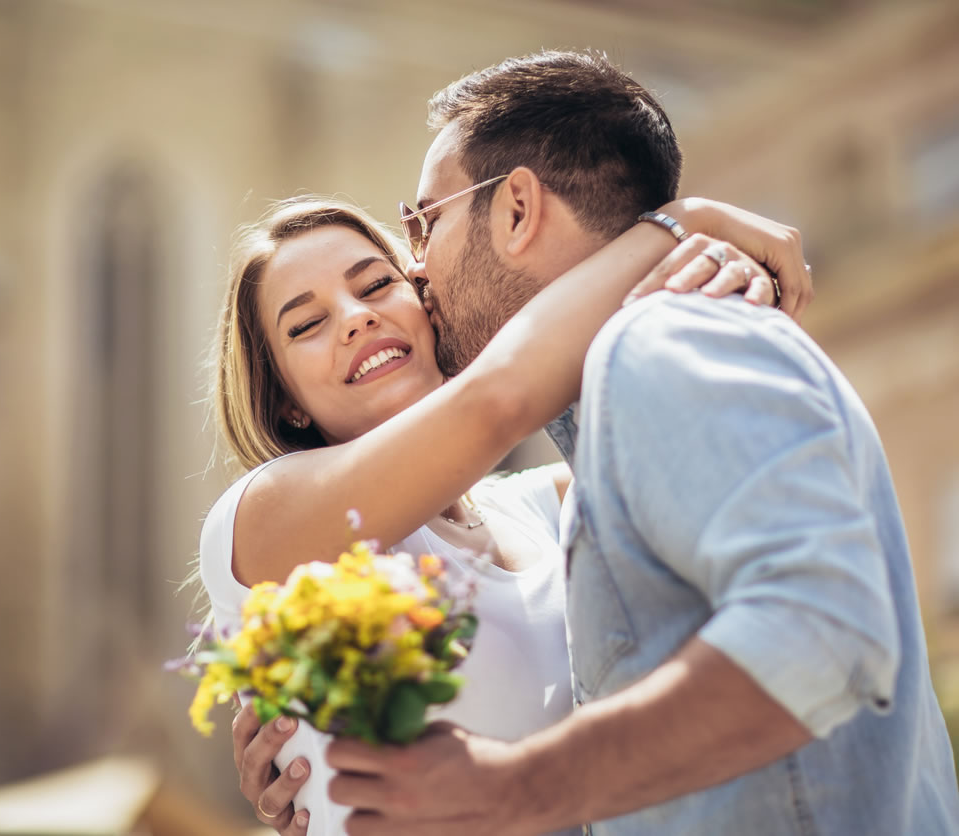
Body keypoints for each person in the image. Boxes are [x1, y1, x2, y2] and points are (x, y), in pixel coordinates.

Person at [276, 51, 959, 836]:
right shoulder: (600, 422)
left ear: (517, 210)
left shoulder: (660, 343)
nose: (416, 268)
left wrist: (515, 787)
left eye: (424, 222)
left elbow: (825, 630)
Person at [202, 189, 810, 835]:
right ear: (289, 401)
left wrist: (732, 291)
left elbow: (687, 447)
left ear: (423, 300)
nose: (354, 318)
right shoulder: (263, 515)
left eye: (376, 285)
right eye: (306, 325)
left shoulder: (542, 508)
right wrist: (684, 222)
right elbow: (500, 397)